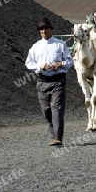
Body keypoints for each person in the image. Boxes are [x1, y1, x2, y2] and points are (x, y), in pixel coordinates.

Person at [25, 18, 73, 146]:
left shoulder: (60, 44)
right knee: (46, 110)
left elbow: (69, 61)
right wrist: (41, 66)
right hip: (42, 81)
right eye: (41, 29)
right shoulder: (35, 47)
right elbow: (29, 63)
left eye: (46, 28)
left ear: (51, 29)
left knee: (56, 108)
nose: (44, 31)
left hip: (58, 80)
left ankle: (58, 138)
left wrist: (60, 64)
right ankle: (54, 133)